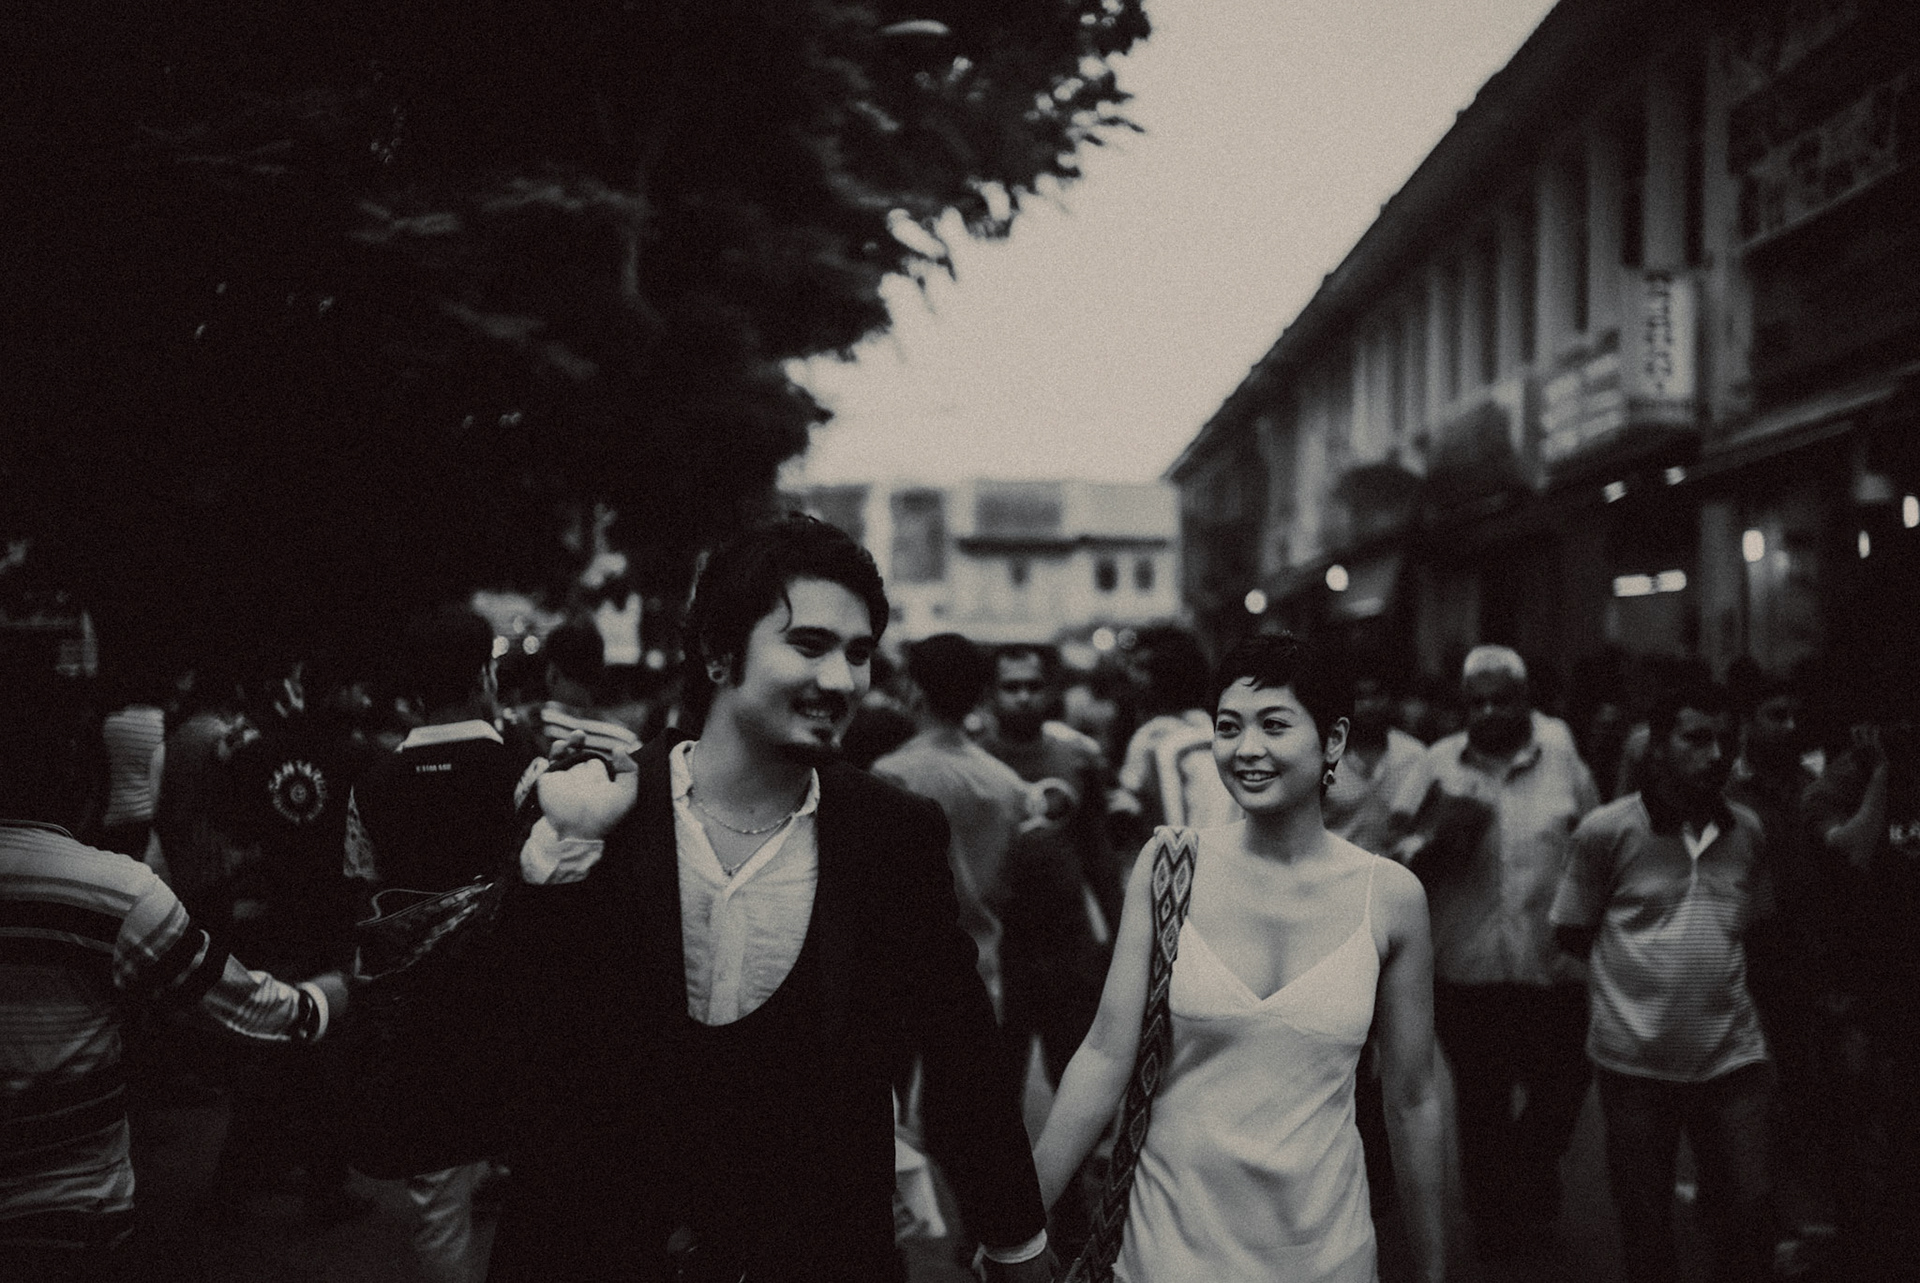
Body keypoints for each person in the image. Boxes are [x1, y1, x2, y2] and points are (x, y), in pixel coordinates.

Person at [485, 515, 1051, 1282]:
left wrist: (1016, 1243)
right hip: (595, 1250)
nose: (844, 680)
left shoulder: (892, 835)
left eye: (859, 654)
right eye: (810, 645)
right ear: (720, 654)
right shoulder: (595, 808)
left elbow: (961, 1058)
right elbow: (514, 1041)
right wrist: (558, 867)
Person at [1032, 632, 1446, 1283]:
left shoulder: (1390, 898)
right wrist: (1019, 1223)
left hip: (1324, 1254)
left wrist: (1433, 1264)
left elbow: (1413, 1098)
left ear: (1332, 740)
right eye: (1229, 726)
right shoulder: (1170, 866)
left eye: (1274, 724)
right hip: (1166, 1251)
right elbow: (1105, 1055)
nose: (1246, 748)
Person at [0, 670, 349, 1282]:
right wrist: (325, 998)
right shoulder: (113, 893)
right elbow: (245, 1010)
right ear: (79, 775)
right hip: (75, 1215)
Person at [1551, 679, 1775, 1283]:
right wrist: (1623, 1000)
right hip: (1635, 1064)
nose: (1716, 754)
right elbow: (1571, 936)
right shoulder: (1607, 832)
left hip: (1731, 1055)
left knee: (1750, 1210)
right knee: (1646, 1222)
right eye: (1696, 738)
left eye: (1726, 740)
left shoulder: (1746, 831)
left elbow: (1757, 929)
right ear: (1656, 747)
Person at [1387, 644, 1599, 1251]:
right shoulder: (1435, 765)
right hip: (1467, 970)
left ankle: (1530, 1175)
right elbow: (1394, 849)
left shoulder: (1564, 762)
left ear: (1525, 701)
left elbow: (1593, 845)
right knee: (1481, 1103)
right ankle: (1497, 1226)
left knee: (1560, 1087)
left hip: (1551, 965)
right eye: (1476, 701)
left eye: (1501, 700)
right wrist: (1423, 846)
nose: (1488, 712)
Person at [343, 606, 532, 1283]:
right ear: (486, 675)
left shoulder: (371, 784)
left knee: (438, 1202)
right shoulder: (525, 772)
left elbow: (363, 894)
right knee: (535, 1182)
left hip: (419, 1019)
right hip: (515, 1008)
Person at [1801, 709, 1920, 1281]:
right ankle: (1863, 1249)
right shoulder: (1856, 771)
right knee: (1859, 1124)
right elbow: (1853, 848)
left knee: (1901, 1128)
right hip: (1861, 978)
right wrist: (1882, 775)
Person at [871, 633, 1030, 1008]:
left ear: (914, 690)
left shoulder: (892, 776)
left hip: (902, 976)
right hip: (981, 972)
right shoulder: (1008, 784)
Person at [1323, 671, 1426, 857]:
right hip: (1335, 873)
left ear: (1391, 699)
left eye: (1377, 695)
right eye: (1359, 697)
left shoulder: (1415, 755)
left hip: (1395, 875)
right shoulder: (1323, 757)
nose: (1369, 705)